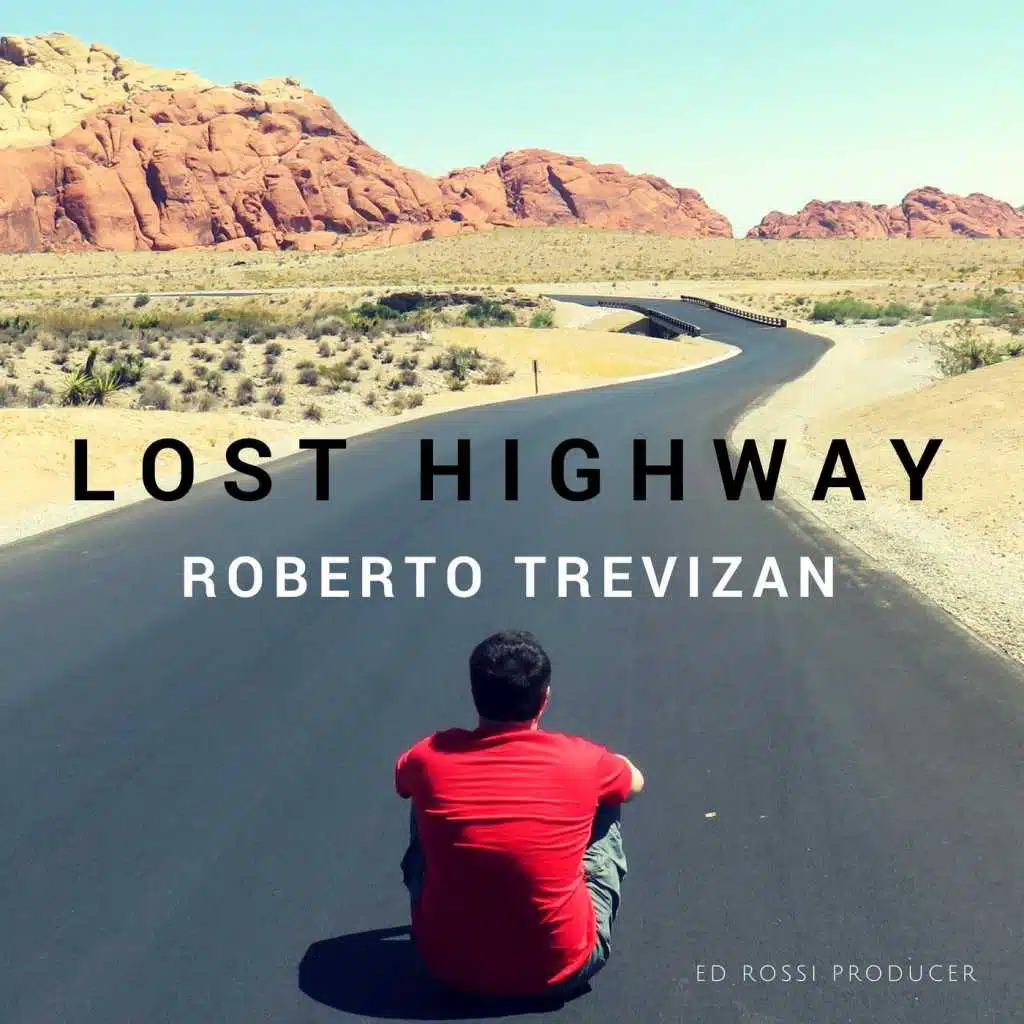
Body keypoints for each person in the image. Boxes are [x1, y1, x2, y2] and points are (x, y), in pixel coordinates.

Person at [395, 629, 645, 1000]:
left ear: (475, 693)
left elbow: (402, 780)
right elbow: (636, 783)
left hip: (448, 968)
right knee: (610, 795)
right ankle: (573, 891)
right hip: (562, 968)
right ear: (544, 699)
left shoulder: (427, 756)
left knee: (420, 793)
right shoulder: (582, 759)